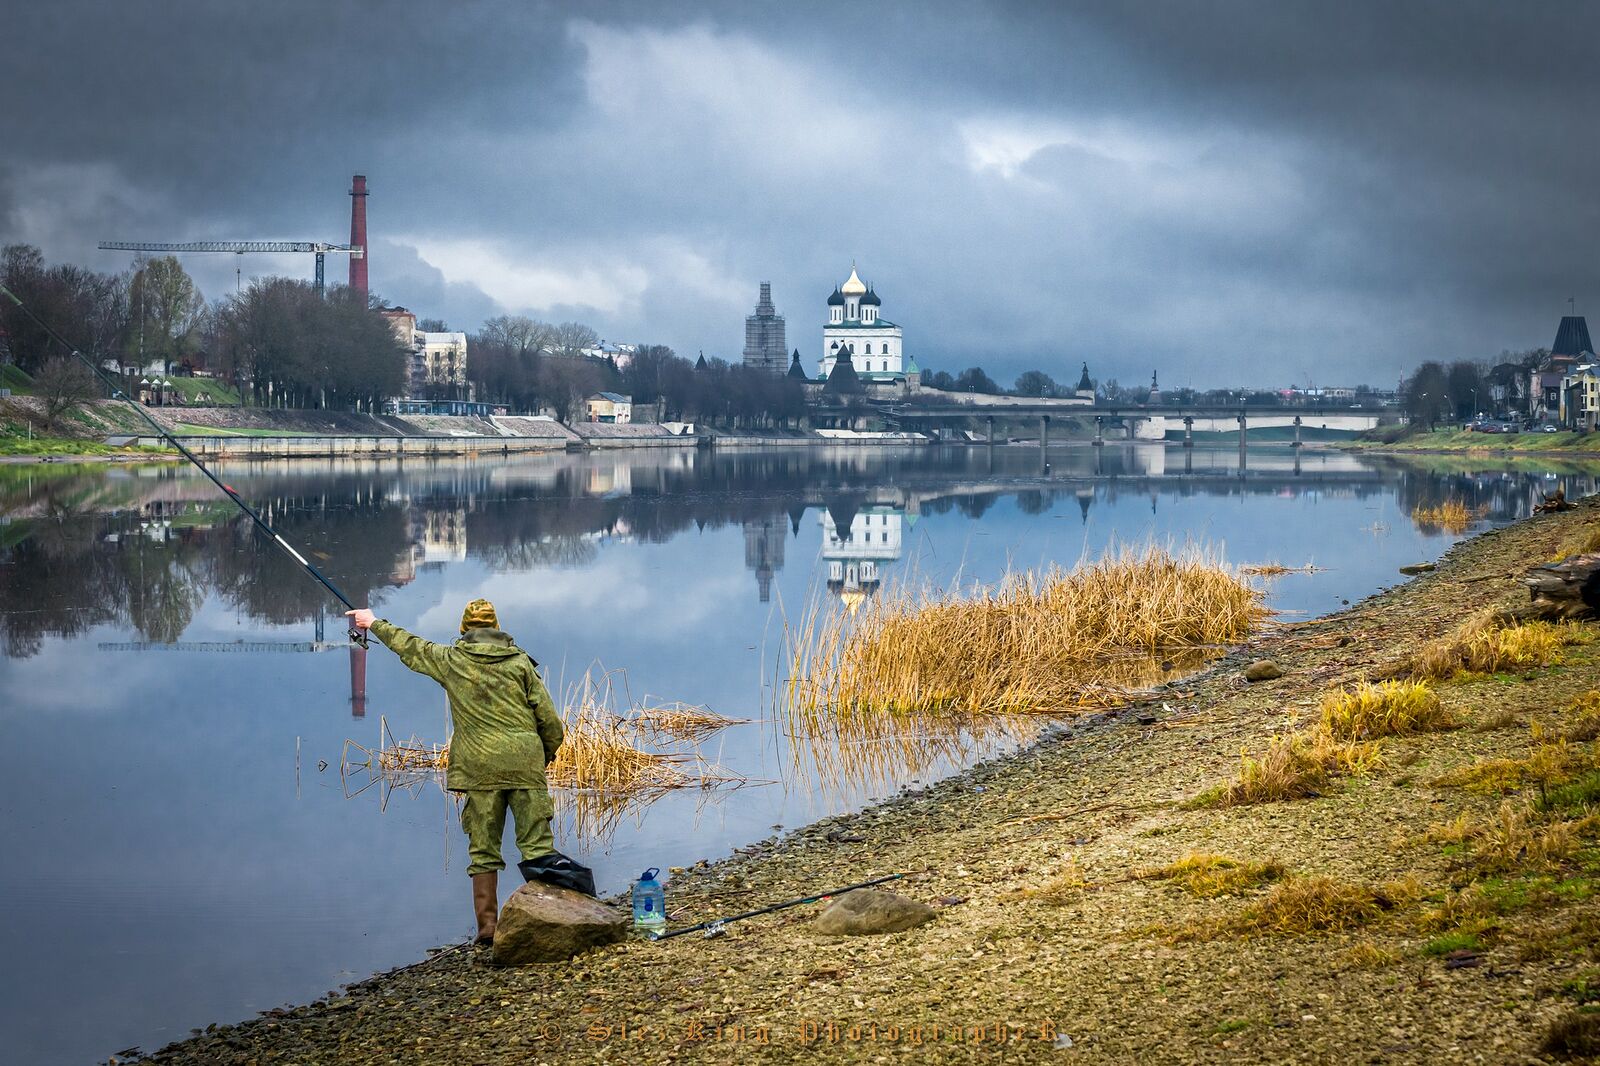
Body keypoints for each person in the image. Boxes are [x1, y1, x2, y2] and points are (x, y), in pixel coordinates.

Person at [346, 599, 563, 945]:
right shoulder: (521, 663)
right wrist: (541, 756)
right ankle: (552, 918)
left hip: (479, 767)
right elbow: (551, 722)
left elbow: (410, 646)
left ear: (465, 629)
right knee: (536, 844)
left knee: (484, 849)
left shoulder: (451, 660)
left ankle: (488, 929)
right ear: (497, 628)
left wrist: (373, 622)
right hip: (525, 762)